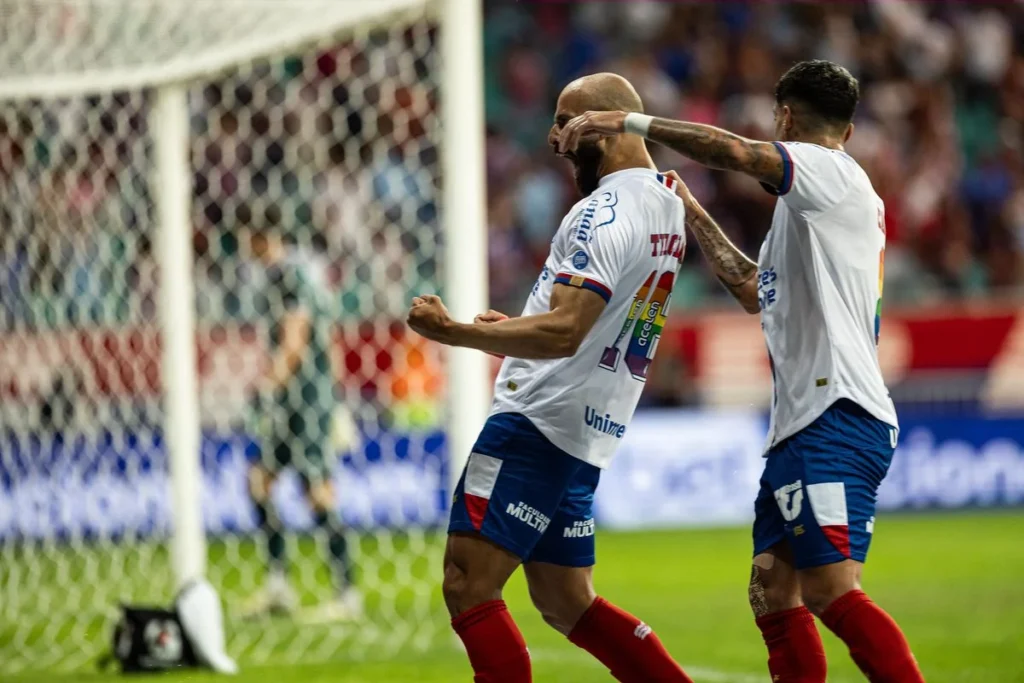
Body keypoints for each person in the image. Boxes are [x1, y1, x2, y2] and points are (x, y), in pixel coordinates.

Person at [558, 60, 925, 683]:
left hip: (836, 415)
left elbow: (736, 152)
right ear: (850, 127)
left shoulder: (829, 170)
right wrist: (692, 210)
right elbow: (755, 290)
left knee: (831, 589)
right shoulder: (809, 211)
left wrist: (630, 122)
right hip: (802, 425)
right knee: (772, 591)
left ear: (784, 117)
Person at [407, 73, 694, 683]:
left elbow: (566, 331)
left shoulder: (602, 211)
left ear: (606, 125)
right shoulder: (667, 203)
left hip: (537, 420)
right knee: (565, 601)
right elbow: (596, 318)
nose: (553, 138)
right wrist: (514, 328)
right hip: (586, 429)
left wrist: (454, 331)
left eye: (565, 122)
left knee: (467, 583)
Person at [241, 218, 361, 623]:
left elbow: (295, 340)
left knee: (317, 490)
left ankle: (346, 594)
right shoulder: (295, 273)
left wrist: (268, 385)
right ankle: (279, 586)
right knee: (260, 481)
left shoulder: (289, 277)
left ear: (256, 237)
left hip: (304, 399)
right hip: (299, 397)